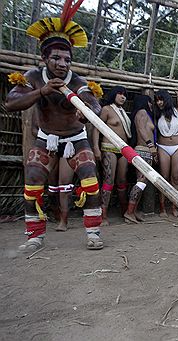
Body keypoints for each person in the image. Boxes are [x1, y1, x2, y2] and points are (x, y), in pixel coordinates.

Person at [5, 1, 104, 251]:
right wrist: (41, 91)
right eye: (56, 58)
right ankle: (34, 237)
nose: (62, 63)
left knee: (90, 178)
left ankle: (93, 233)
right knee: (33, 179)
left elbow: (93, 103)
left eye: (67, 59)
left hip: (75, 137)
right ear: (44, 58)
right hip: (45, 137)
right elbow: (11, 102)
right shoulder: (33, 77)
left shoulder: (77, 80)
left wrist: (86, 113)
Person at [92, 86, 131, 226]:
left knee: (121, 181)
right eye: (120, 94)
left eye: (125, 95)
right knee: (109, 180)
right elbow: (97, 127)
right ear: (114, 94)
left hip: (123, 149)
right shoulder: (107, 109)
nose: (123, 97)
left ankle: (125, 212)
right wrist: (96, 147)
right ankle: (103, 215)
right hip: (109, 148)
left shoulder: (123, 113)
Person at [154, 90, 178, 218]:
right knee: (163, 177)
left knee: (176, 177)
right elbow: (154, 133)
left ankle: (175, 207)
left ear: (167, 99)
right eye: (157, 100)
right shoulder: (157, 114)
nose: (159, 102)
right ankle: (163, 207)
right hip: (162, 147)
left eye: (161, 99)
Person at [124, 94, 157, 223]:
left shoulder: (141, 113)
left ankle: (133, 210)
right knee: (141, 181)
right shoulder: (142, 112)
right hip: (143, 150)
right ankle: (129, 212)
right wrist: (150, 145)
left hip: (145, 151)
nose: (151, 105)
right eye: (150, 102)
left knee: (142, 182)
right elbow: (141, 129)